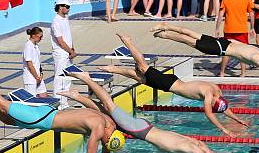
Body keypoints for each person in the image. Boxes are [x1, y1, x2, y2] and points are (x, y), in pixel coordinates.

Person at [59, 70, 255, 153]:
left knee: (106, 115)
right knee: (110, 105)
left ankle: (77, 96)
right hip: (140, 131)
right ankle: (86, 78)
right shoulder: (191, 149)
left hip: (145, 127)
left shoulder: (196, 144)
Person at [100, 34, 249, 137]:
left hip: (173, 82)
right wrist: (224, 129)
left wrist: (237, 119)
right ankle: (128, 42)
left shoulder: (217, 91)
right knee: (143, 67)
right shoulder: (208, 95)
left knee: (142, 79)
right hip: (170, 84)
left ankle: (114, 69)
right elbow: (209, 114)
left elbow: (225, 108)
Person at [150, 23, 259, 91]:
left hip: (224, 42)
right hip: (220, 49)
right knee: (188, 40)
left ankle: (166, 26)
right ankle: (164, 34)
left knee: (190, 32)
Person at [216, 0, 254, 77]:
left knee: (226, 51)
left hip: (229, 29)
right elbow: (252, 14)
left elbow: (220, 14)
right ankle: (243, 73)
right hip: (242, 30)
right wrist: (252, 28)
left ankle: (222, 72)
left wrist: (217, 28)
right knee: (243, 52)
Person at [50, 0, 77, 108]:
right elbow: (60, 41)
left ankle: (64, 102)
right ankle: (58, 102)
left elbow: (67, 36)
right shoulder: (56, 22)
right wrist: (70, 51)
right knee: (60, 78)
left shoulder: (65, 18)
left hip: (67, 52)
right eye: (67, 7)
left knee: (67, 78)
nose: (68, 9)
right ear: (60, 7)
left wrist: (72, 48)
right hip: (61, 54)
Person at [22, 27, 45, 97]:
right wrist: (36, 77)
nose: (40, 39)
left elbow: (37, 61)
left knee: (43, 95)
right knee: (31, 99)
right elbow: (30, 64)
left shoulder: (35, 45)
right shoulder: (28, 46)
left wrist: (40, 75)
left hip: (38, 76)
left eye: (41, 37)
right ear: (33, 35)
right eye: (40, 37)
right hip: (31, 78)